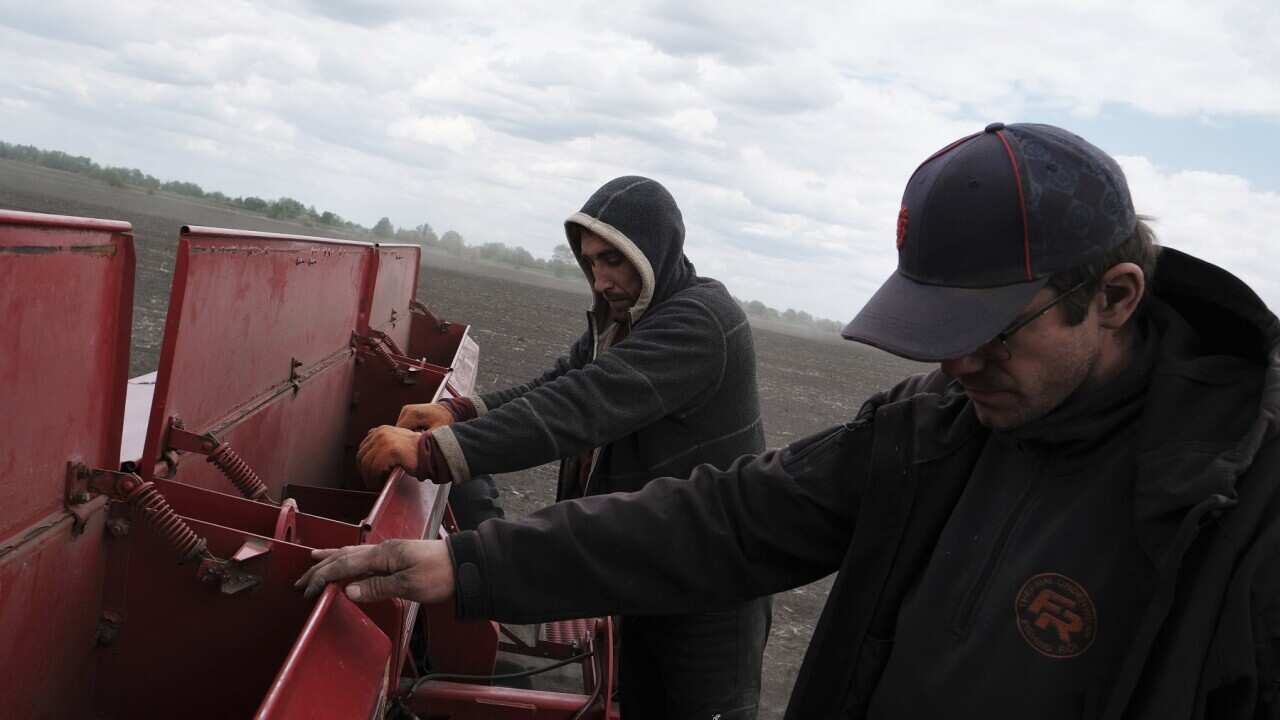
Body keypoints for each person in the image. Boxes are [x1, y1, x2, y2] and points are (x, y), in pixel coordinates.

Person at [299, 123, 1280, 718]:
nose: (957, 362)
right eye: (937, 331)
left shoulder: (1241, 511)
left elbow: (586, 407)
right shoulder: (937, 425)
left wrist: (447, 446)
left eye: (989, 331)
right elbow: (732, 518)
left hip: (704, 641)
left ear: (1112, 295)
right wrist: (470, 565)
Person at [346, 176, 773, 719]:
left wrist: (433, 452)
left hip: (713, 584)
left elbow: (578, 406)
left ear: (654, 252)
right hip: (657, 563)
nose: (602, 279)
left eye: (614, 261)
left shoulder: (699, 321)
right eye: (591, 262)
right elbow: (557, 384)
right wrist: (460, 411)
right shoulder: (624, 321)